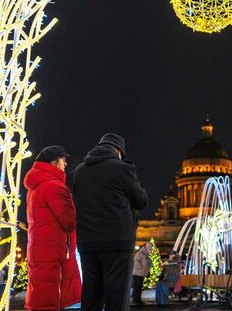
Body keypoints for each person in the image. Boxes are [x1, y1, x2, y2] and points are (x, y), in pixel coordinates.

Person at [72, 133, 148, 311]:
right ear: (119, 151)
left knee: (91, 297)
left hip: (87, 243)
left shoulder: (78, 172)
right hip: (117, 242)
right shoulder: (122, 168)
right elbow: (141, 201)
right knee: (117, 299)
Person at [23, 145, 81, 311]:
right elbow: (69, 221)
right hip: (53, 251)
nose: (66, 164)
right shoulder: (54, 186)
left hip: (40, 249)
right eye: (63, 160)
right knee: (50, 298)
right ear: (54, 162)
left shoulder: (36, 187)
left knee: (41, 296)